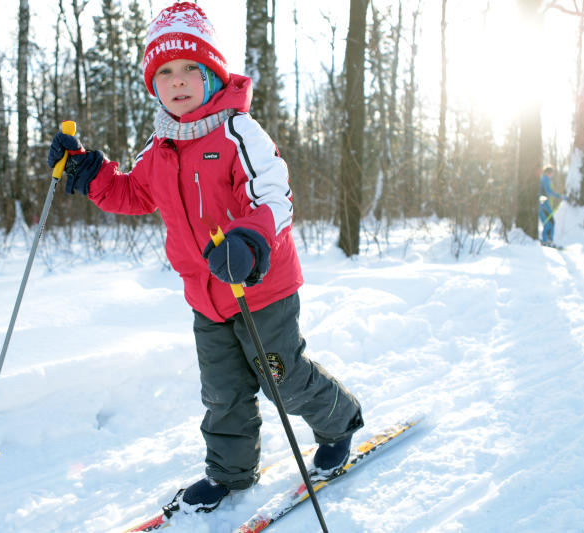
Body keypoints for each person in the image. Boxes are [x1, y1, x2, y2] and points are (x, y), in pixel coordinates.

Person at [46, 2, 363, 513]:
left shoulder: (238, 131)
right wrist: (91, 172)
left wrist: (251, 240)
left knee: (279, 377)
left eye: (191, 68)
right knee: (223, 392)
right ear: (154, 85)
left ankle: (340, 422)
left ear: (213, 73)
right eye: (164, 72)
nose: (178, 81)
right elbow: (133, 193)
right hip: (205, 296)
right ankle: (231, 474)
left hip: (260, 284)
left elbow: (273, 196)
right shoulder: (162, 146)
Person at [538, 166, 567, 246]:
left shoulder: (542, 179)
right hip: (544, 205)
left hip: (542, 204)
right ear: (548, 173)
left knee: (548, 223)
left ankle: (546, 240)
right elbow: (549, 192)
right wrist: (561, 197)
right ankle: (547, 241)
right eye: (552, 173)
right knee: (550, 223)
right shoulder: (546, 180)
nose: (552, 175)